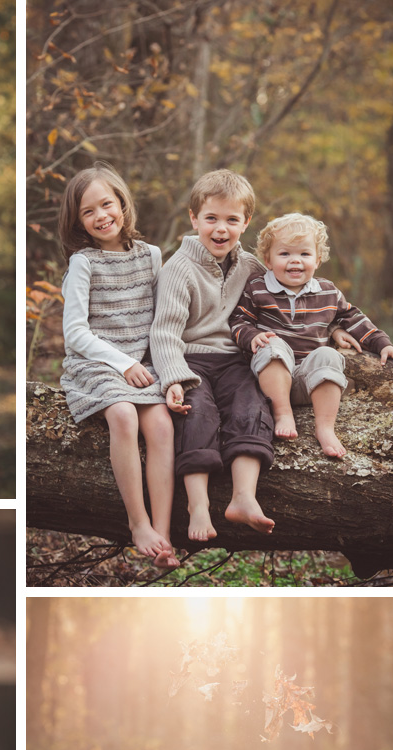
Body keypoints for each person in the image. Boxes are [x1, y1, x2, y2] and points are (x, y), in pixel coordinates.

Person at [59, 163, 179, 568]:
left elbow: (166, 320)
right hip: (97, 363)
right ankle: (138, 522)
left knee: (161, 425)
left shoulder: (151, 257)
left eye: (106, 204)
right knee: (125, 417)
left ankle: (163, 535)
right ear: (78, 222)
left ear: (123, 204)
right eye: (88, 212)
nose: (100, 216)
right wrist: (123, 363)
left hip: (142, 363)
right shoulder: (84, 263)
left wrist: (168, 370)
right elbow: (75, 333)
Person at [149, 169, 276, 543]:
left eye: (232, 220)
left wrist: (333, 328)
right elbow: (165, 330)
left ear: (246, 222)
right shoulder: (178, 269)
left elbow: (286, 299)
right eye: (211, 219)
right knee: (197, 414)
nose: (221, 229)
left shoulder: (252, 267)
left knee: (251, 406)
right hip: (191, 362)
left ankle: (243, 497)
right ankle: (198, 504)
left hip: (235, 362)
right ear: (194, 219)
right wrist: (173, 377)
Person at [229, 212, 393, 459]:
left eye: (304, 254)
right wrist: (251, 336)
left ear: (317, 260)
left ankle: (325, 427)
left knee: (328, 355)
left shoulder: (327, 292)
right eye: (285, 254)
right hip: (270, 380)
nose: (295, 261)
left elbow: (353, 318)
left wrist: (382, 344)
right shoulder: (258, 287)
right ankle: (283, 414)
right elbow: (239, 320)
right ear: (268, 260)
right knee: (273, 345)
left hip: (310, 380)